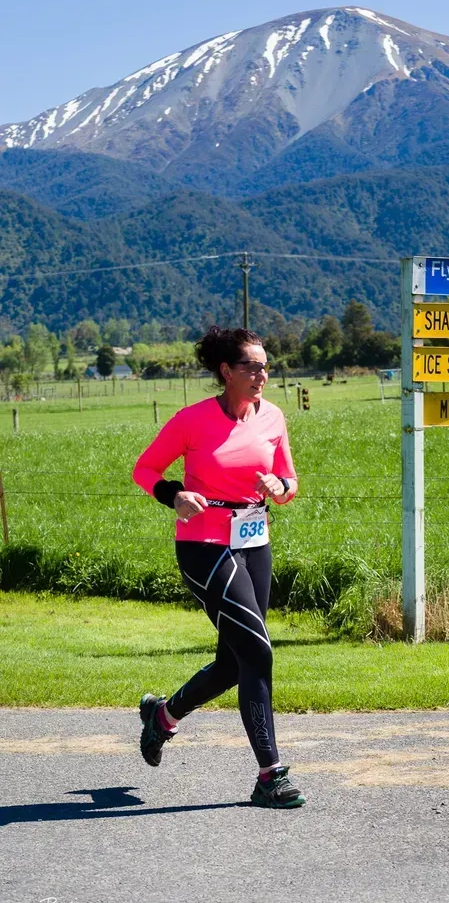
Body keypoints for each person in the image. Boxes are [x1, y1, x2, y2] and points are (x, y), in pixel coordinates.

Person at [132, 326, 305, 809]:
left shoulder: (272, 417)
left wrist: (280, 488)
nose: (262, 373)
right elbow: (145, 470)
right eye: (251, 365)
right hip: (204, 544)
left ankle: (162, 717)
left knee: (236, 661)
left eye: (266, 365)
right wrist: (174, 495)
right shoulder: (192, 421)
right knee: (258, 650)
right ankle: (270, 775)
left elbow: (290, 483)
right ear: (226, 371)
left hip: (254, 541)